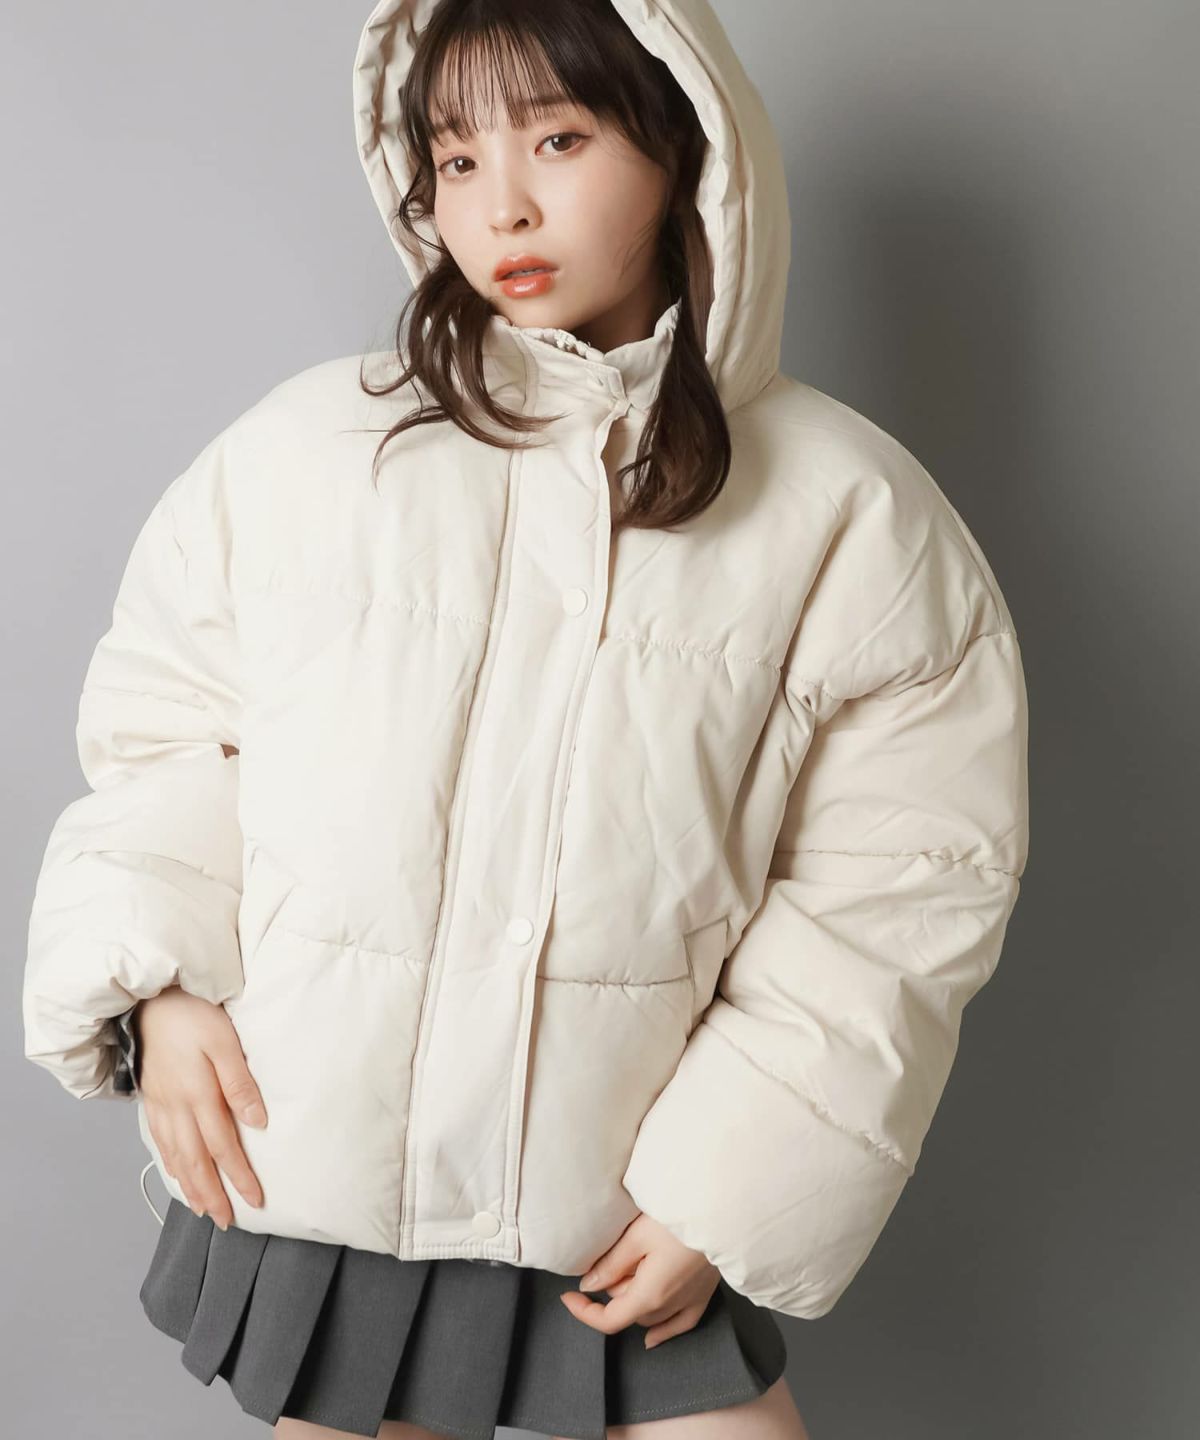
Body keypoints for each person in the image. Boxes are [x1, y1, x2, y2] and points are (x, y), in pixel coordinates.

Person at [22, 0, 1030, 1437]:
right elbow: (169, 737)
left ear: (683, 149)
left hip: (625, 1185)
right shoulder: (311, 453)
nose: (501, 206)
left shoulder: (850, 516)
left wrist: (728, 1187)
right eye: (456, 158)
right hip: (334, 1161)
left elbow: (898, 885)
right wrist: (162, 988)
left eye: (558, 140)